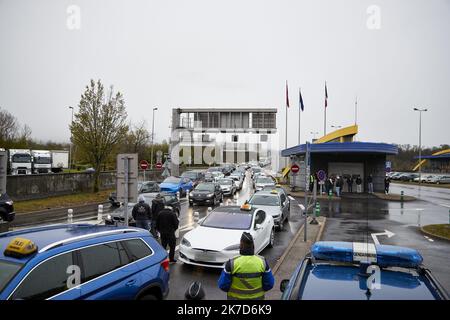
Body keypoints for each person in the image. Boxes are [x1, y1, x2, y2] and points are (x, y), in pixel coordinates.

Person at [218, 232, 274, 300]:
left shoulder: (232, 263)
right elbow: (269, 284)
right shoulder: (262, 262)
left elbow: (223, 285)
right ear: (253, 246)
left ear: (241, 246)